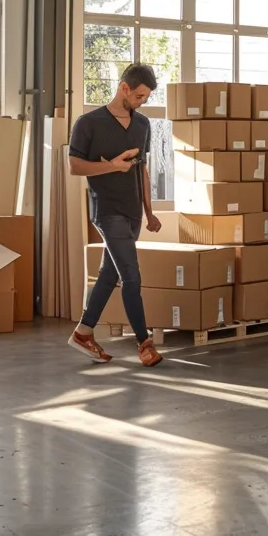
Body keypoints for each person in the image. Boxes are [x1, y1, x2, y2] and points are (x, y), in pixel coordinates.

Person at [66, 64, 165, 367]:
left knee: (110, 274)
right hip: (107, 210)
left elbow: (143, 171)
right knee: (131, 276)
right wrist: (112, 166)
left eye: (145, 97)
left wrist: (150, 212)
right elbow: (75, 166)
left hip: (133, 211)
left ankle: (83, 332)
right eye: (138, 96)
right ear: (124, 88)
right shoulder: (89, 123)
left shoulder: (143, 125)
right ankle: (144, 342)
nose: (141, 101)